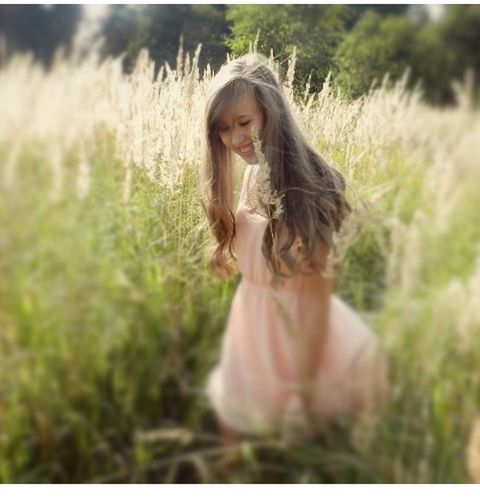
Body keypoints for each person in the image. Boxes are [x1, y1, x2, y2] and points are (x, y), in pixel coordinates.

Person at [200, 53, 388, 445]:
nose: (234, 139)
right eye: (223, 129)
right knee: (231, 424)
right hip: (251, 324)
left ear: (271, 113)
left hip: (299, 332)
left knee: (299, 449)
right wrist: (233, 258)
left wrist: (302, 394)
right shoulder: (254, 171)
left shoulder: (312, 189)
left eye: (244, 122)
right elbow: (263, 248)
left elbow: (317, 298)